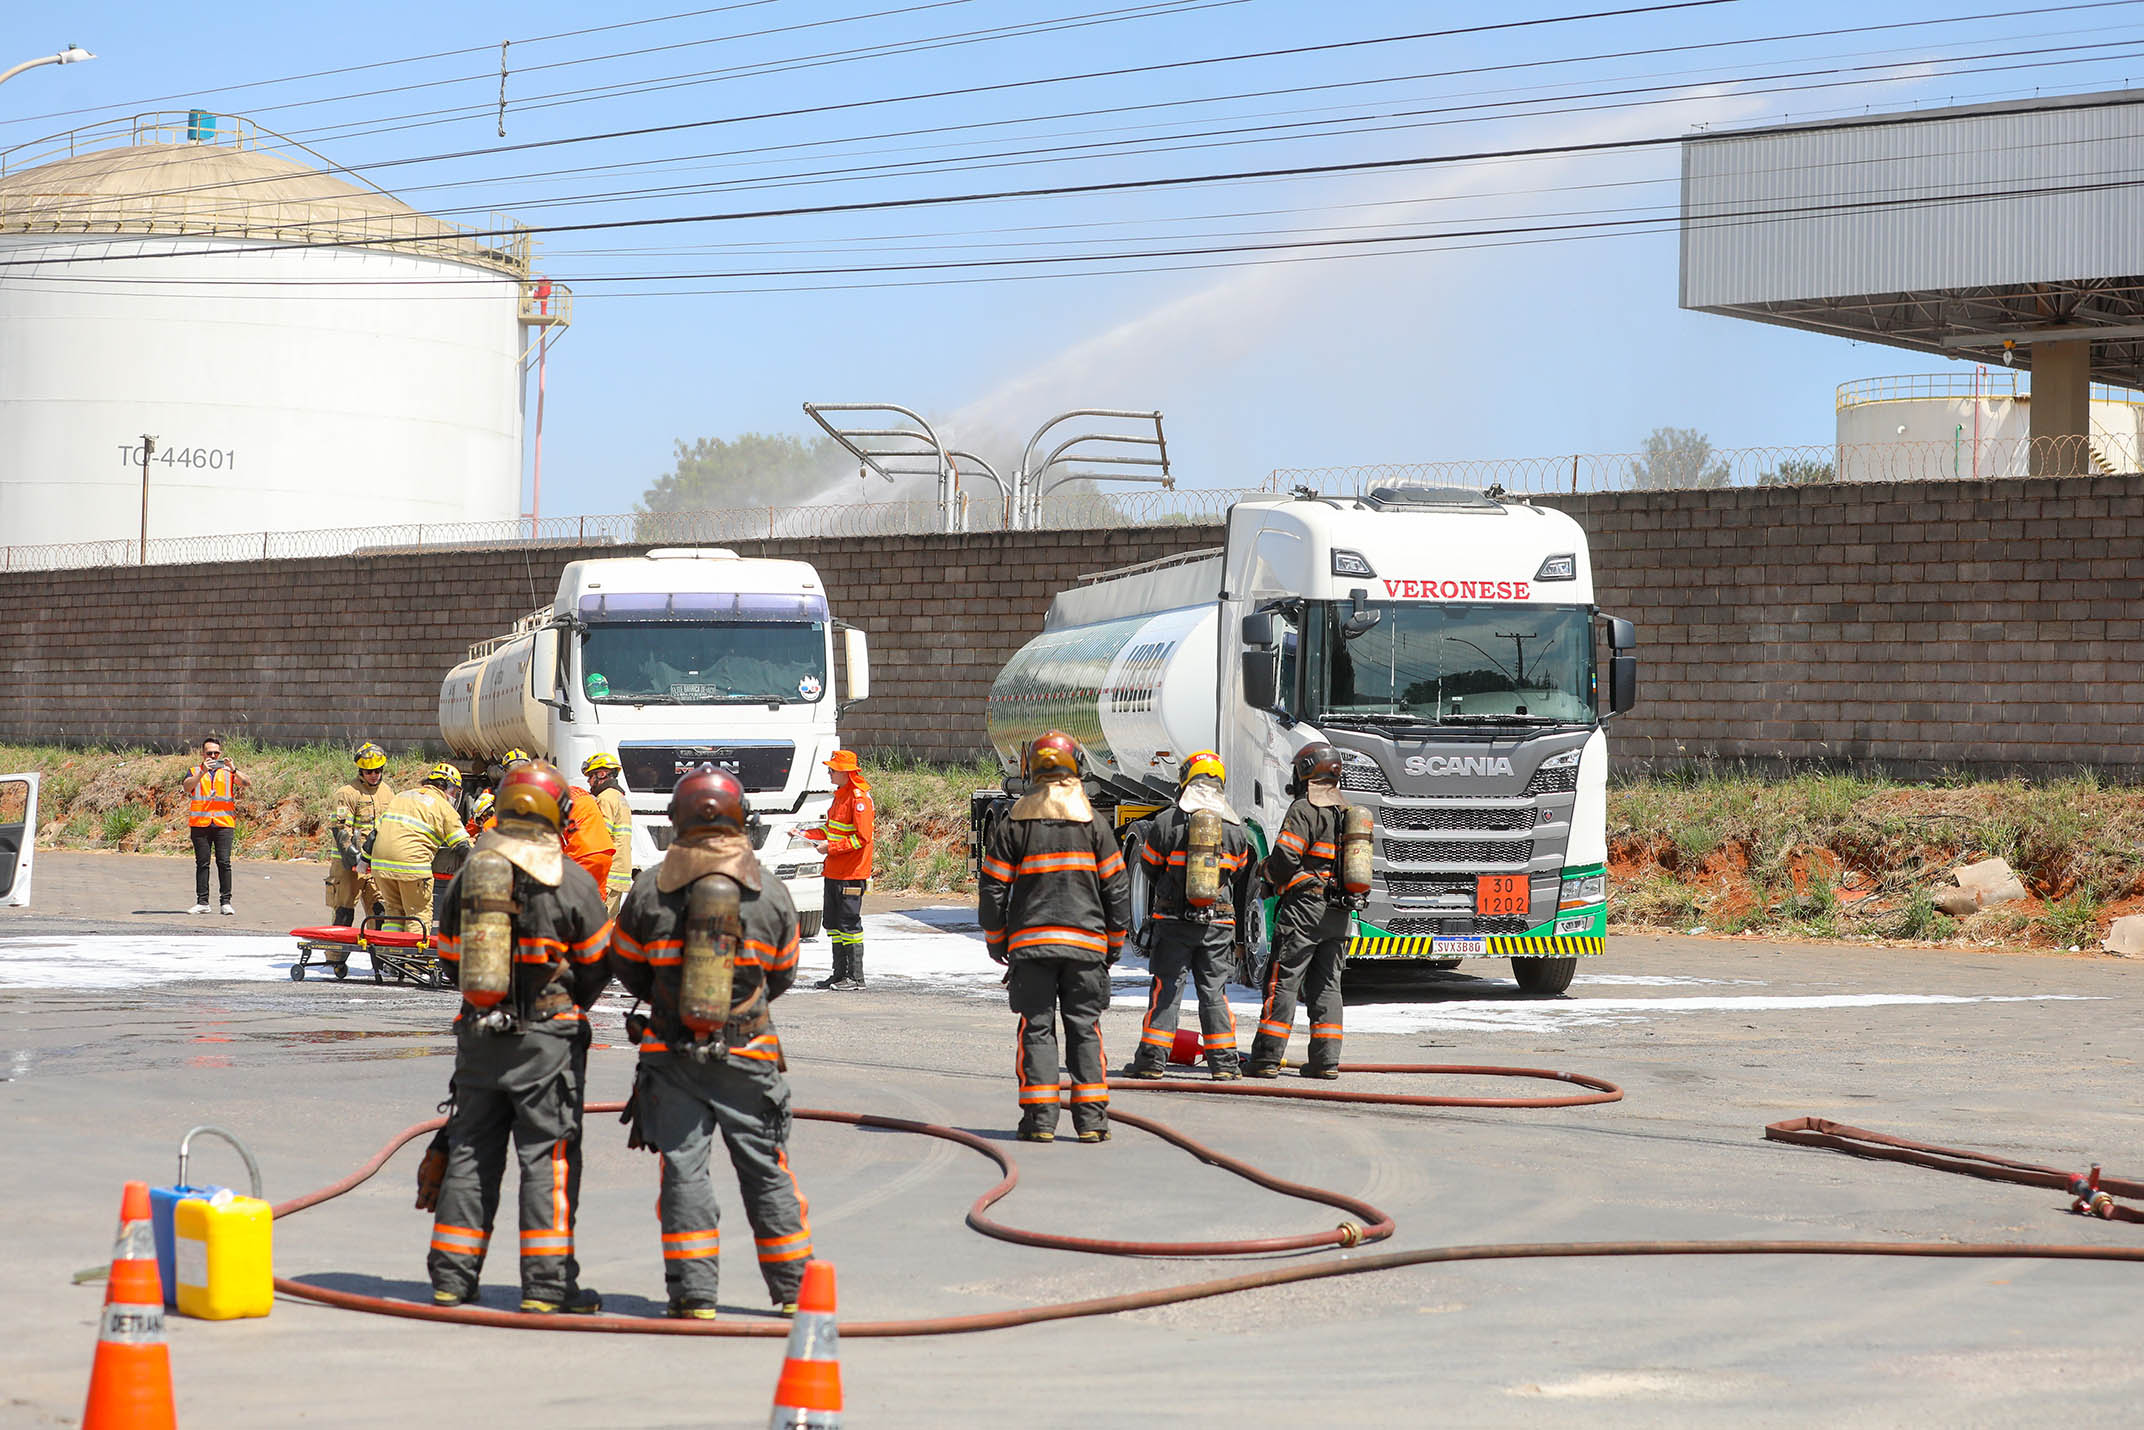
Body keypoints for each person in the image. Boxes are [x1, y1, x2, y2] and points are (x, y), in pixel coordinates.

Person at [609, 764, 811, 1319]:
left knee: (683, 1171)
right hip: (749, 1053)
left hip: (669, 1056)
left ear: (676, 819)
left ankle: (694, 1295)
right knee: (767, 1169)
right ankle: (794, 1291)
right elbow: (785, 973)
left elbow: (624, 965)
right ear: (741, 818)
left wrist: (667, 998)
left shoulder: (650, 887)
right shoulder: (769, 891)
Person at [427, 762, 613, 1314]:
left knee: (469, 1153)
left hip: (480, 1039)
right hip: (547, 1043)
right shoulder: (573, 879)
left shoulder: (471, 871)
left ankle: (451, 1281)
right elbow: (599, 964)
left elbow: (449, 955)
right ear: (557, 811)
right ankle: (546, 1288)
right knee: (547, 1158)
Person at [978, 731, 1130, 1144]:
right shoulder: (1096, 825)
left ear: (1033, 769)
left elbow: (993, 889)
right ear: (1076, 767)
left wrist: (997, 940)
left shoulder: (1014, 824)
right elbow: (1117, 890)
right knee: (1085, 1028)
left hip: (1031, 948)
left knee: (1036, 1029)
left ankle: (1040, 1122)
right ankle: (1093, 1123)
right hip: (1086, 948)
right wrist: (1113, 944)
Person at [1124, 750, 1253, 1081]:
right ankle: (1224, 1064)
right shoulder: (1234, 827)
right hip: (1218, 923)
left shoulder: (1167, 821)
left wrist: (1172, 889)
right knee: (1214, 992)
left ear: (1186, 780)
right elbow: (1237, 872)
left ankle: (1152, 1061)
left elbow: (1149, 865)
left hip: (1173, 923)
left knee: (1167, 988)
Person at [1246, 742, 1356, 1080]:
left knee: (1283, 982)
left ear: (1306, 771)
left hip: (1305, 910)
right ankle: (1326, 1061)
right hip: (1339, 913)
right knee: (1327, 986)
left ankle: (1266, 1058)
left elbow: (1284, 860)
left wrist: (1265, 872)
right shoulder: (1348, 812)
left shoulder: (1303, 810)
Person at [368, 764, 472, 933]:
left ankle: (391, 957)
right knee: (418, 915)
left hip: (381, 867)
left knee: (394, 912)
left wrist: (364, 860)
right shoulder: (443, 806)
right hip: (412, 868)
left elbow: (374, 835)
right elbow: (462, 846)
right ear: (448, 787)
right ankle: (412, 959)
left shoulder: (402, 796)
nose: (455, 796)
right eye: (455, 792)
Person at [803, 749, 874, 991]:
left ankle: (855, 978)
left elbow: (862, 839)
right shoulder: (840, 796)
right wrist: (806, 835)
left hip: (851, 874)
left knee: (849, 925)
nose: (829, 772)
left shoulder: (858, 799)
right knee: (833, 924)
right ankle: (839, 975)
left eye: (832, 769)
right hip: (833, 872)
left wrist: (830, 848)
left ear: (844, 772)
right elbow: (831, 830)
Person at [324, 743, 395, 936]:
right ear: (361, 771)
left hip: (375, 863)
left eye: (378, 770)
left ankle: (378, 960)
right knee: (344, 913)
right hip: (349, 865)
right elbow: (340, 828)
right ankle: (335, 959)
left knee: (380, 913)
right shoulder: (347, 793)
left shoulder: (387, 792)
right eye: (369, 771)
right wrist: (353, 856)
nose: (374, 775)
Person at [182, 735, 249, 915]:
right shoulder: (195, 770)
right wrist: (201, 772)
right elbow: (187, 787)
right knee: (202, 863)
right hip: (200, 823)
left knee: (224, 862)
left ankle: (225, 902)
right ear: (202, 754)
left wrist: (234, 769)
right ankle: (202, 902)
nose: (212, 756)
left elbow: (246, 783)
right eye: (209, 753)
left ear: (220, 753)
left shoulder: (228, 771)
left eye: (216, 753)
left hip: (223, 823)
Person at [582, 752, 636, 916]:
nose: (589, 781)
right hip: (619, 871)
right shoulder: (619, 797)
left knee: (598, 923)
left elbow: (601, 835)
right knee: (609, 921)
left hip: (608, 872)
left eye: (591, 776)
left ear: (602, 774)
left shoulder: (605, 799)